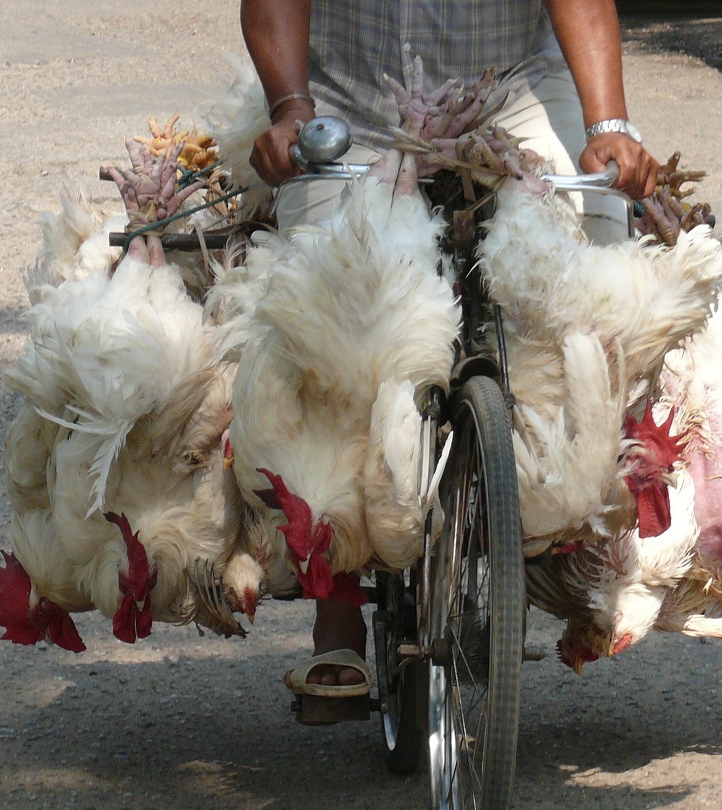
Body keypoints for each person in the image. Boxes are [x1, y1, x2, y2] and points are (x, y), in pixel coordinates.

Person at [239, 0, 661, 692]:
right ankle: (337, 612)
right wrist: (289, 107)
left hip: (511, 95)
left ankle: (557, 518)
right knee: (315, 327)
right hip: (353, 113)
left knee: (596, 285)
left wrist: (607, 125)